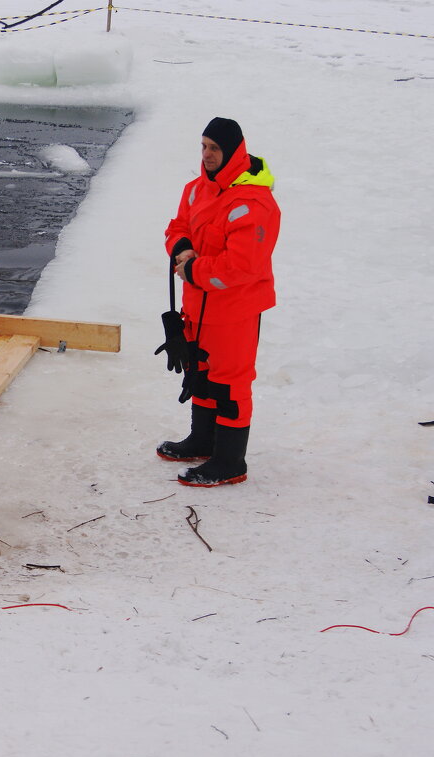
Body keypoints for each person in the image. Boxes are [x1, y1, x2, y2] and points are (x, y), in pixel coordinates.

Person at [155, 117, 280, 486]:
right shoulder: (197, 189)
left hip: (235, 310)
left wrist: (192, 269)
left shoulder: (254, 203)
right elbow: (177, 226)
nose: (207, 155)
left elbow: (241, 266)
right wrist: (180, 248)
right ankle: (202, 440)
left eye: (215, 148)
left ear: (233, 151)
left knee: (231, 383)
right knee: (203, 371)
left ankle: (229, 461)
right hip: (199, 306)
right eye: (204, 146)